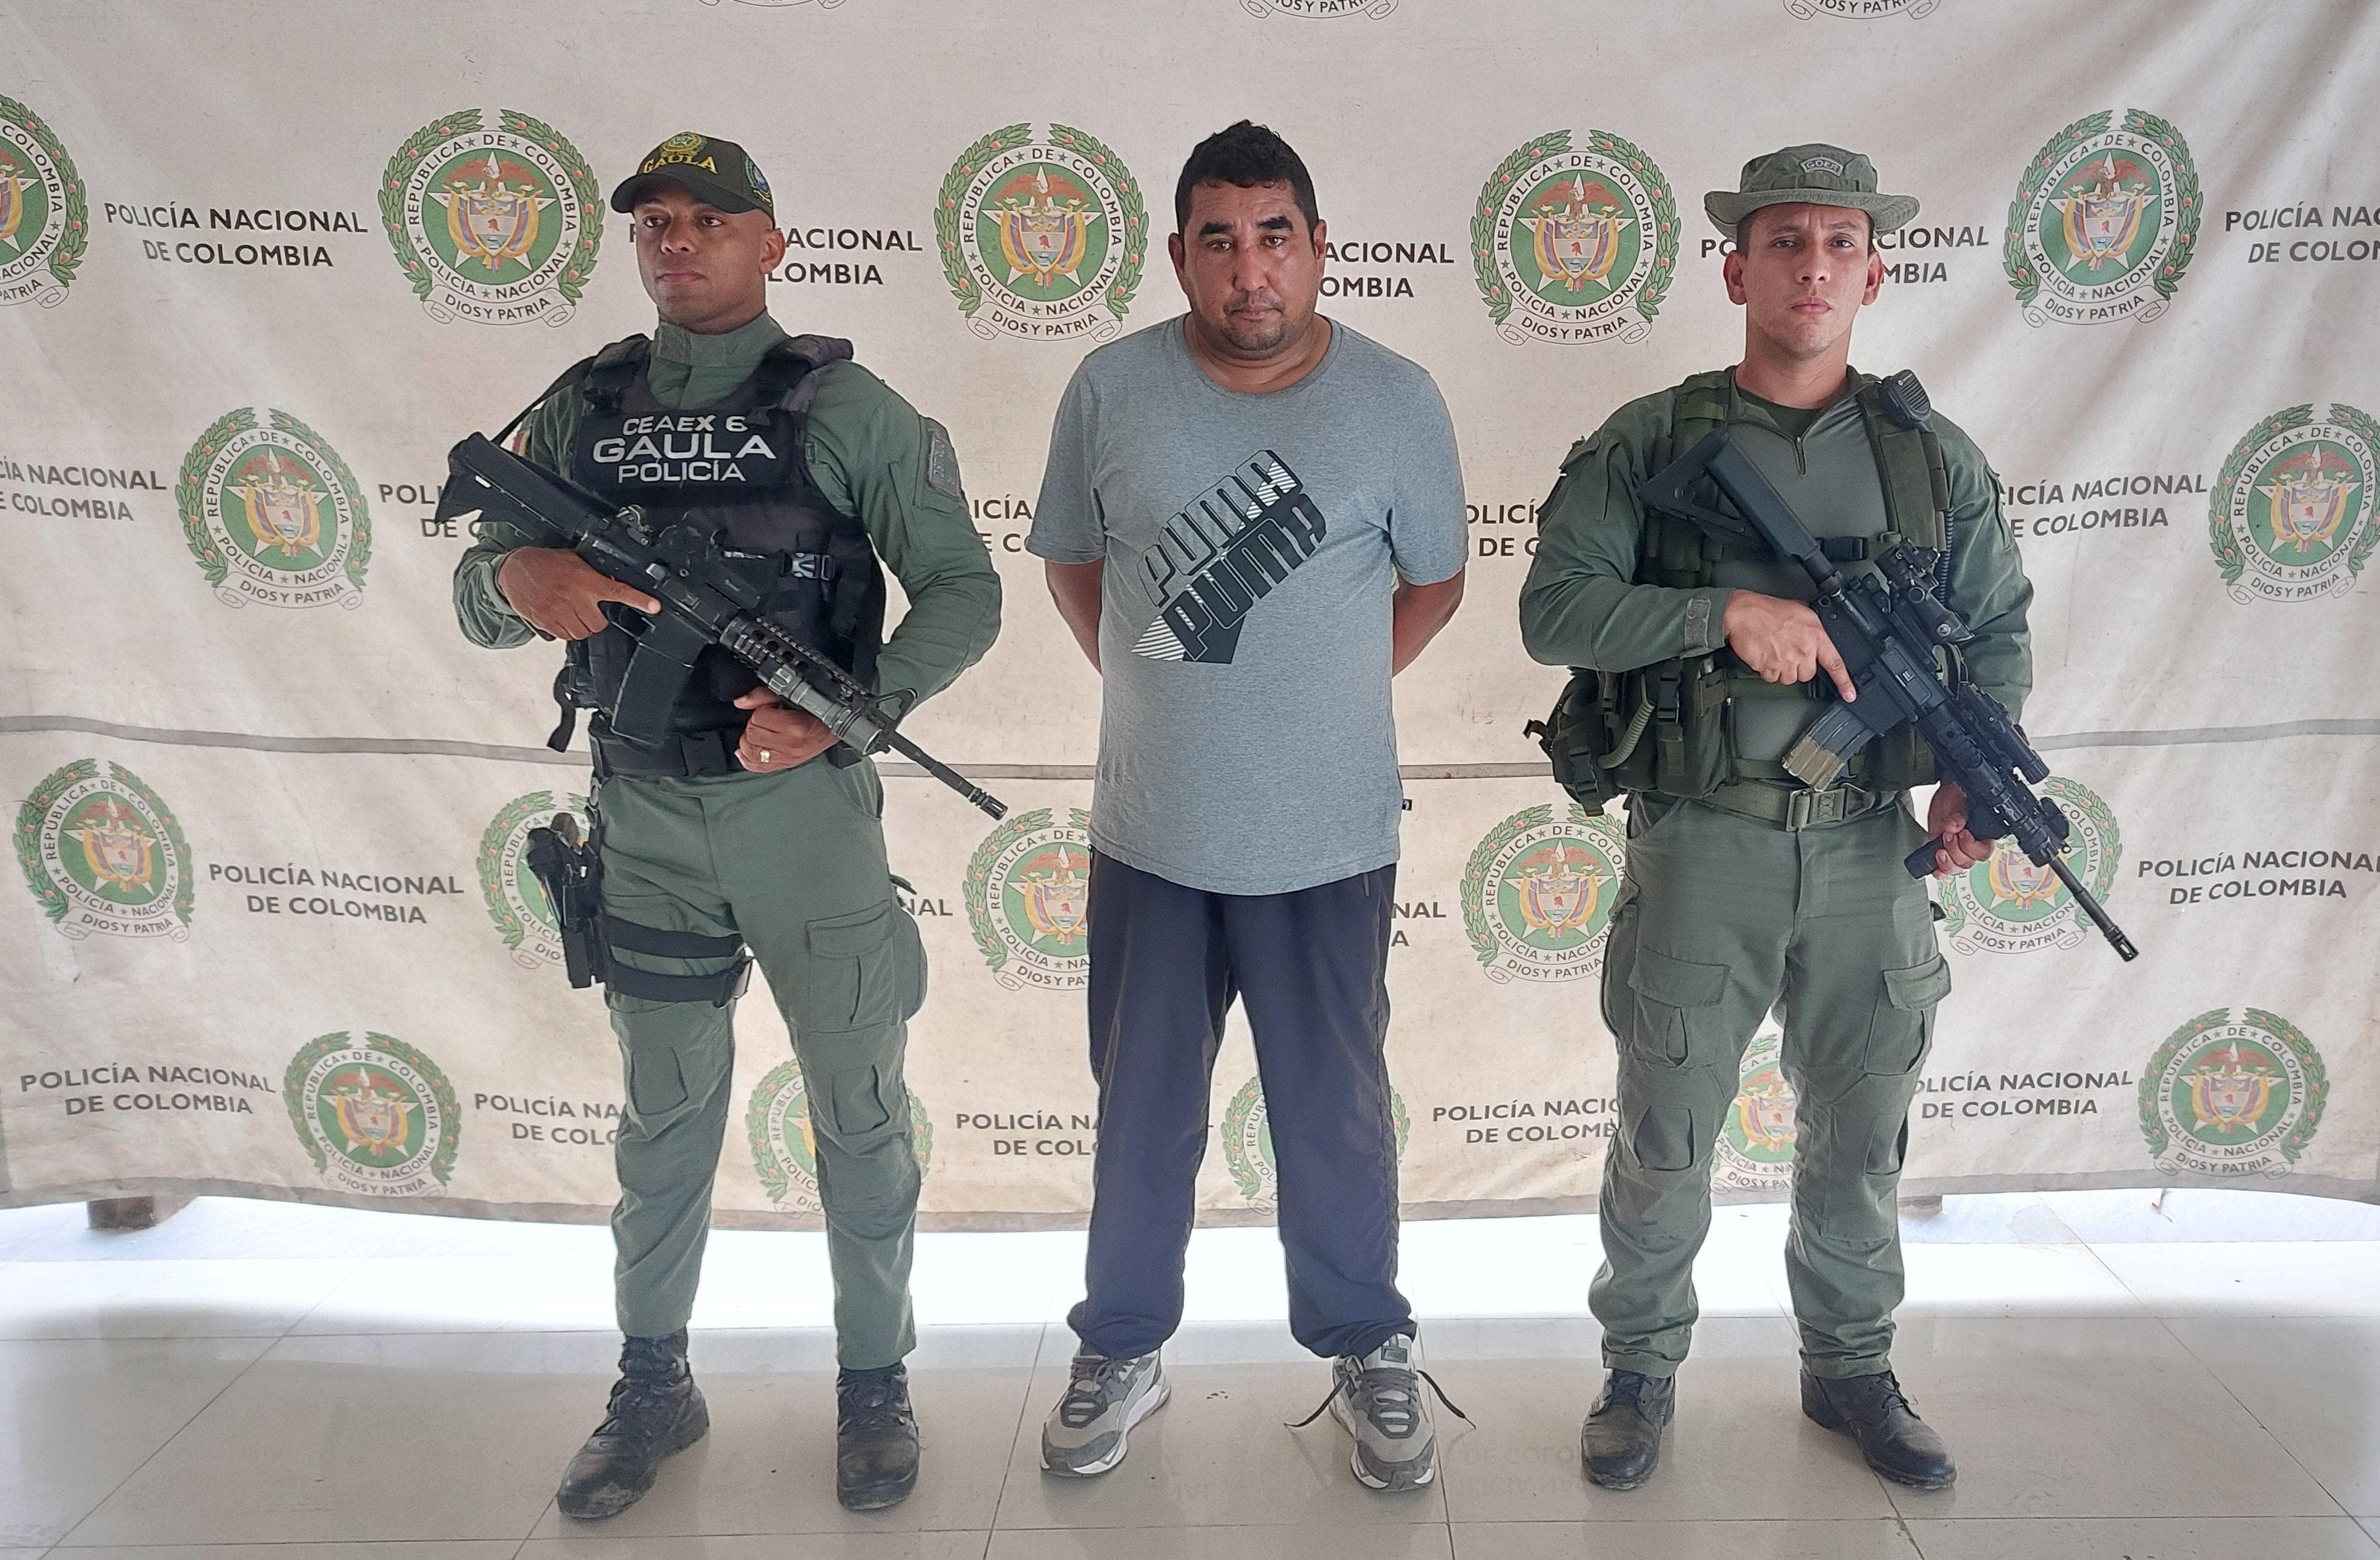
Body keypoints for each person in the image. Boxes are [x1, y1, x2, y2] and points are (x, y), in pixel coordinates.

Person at [449, 131, 1000, 1518]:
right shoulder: (581, 406)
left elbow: (964, 590)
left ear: (770, 242)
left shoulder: (845, 408)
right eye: (656, 222)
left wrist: (851, 713)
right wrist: (519, 578)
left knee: (858, 1112)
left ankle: (873, 1382)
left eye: (708, 220)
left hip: (804, 819)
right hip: (641, 815)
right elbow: (474, 591)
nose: (678, 242)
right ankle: (653, 1381)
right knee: (665, 1117)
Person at [1518, 145, 2036, 1492]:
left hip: (1870, 844)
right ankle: (1639, 1373)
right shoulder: (1651, 440)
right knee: (1668, 1131)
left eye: (1839, 244)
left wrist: (1970, 776)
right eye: (1784, 242)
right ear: (1735, 270)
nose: (1813, 267)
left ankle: (1849, 1365)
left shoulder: (1930, 460)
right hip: (1703, 842)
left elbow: (1994, 634)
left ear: (1876, 273)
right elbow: (1554, 611)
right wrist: (1724, 614)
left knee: (1861, 1130)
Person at [1025, 120, 1468, 1492]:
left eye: (1275, 235)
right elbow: (1074, 562)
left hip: (1327, 838)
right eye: (1218, 239)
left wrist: (1323, 695)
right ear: (1179, 256)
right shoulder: (1110, 388)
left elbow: (1436, 581)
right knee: (1140, 1113)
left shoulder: (1396, 400)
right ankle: (1122, 1346)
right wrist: (1162, 690)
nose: (1249, 267)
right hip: (1154, 832)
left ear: (1320, 247)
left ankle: (1366, 1344)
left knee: (1332, 1113)